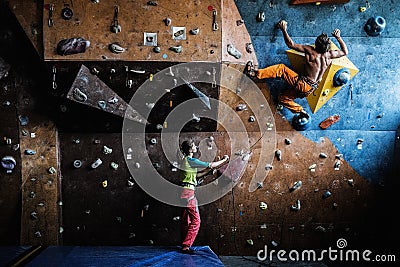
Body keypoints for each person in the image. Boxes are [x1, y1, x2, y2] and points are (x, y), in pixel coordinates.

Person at [245, 20, 348, 115]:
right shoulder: (329, 55)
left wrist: (283, 29)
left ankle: (255, 74)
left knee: (281, 69)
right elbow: (345, 52)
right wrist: (338, 37)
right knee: (283, 98)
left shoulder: (311, 51)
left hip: (303, 84)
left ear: (316, 44)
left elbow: (291, 44)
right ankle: (300, 109)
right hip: (310, 89)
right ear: (328, 47)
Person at [179, 139, 229, 254]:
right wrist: (224, 160)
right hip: (188, 193)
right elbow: (211, 165)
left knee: (185, 220)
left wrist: (207, 172)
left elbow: (196, 175)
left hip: (182, 192)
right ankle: (186, 246)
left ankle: (183, 244)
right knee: (196, 221)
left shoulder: (185, 161)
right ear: (190, 150)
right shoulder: (191, 160)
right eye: (194, 146)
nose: (196, 147)